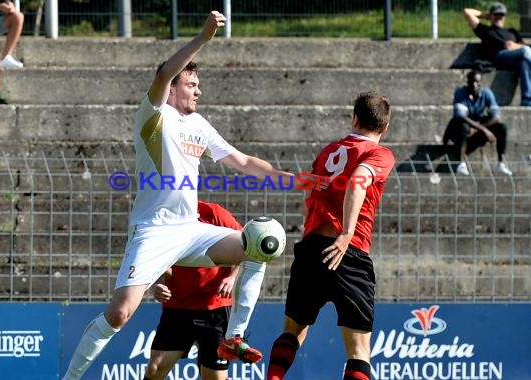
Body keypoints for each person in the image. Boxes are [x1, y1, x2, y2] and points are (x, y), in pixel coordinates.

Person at [62, 10, 294, 380]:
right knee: (120, 313)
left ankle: (232, 337)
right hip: (153, 230)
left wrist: (289, 180)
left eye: (198, 84)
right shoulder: (152, 115)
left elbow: (244, 161)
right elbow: (162, 74)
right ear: (172, 87)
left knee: (261, 242)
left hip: (190, 230)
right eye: (191, 84)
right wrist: (202, 38)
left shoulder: (198, 124)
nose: (198, 90)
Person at [266, 92, 395, 380]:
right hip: (348, 250)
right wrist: (347, 233)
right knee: (359, 350)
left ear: (354, 119)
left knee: (293, 331)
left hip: (312, 247)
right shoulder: (379, 154)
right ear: (385, 128)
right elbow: (358, 181)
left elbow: (308, 199)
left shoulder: (328, 152)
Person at [148, 201, 240, 380]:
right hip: (177, 307)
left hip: (214, 308)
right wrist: (157, 283)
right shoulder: (161, 217)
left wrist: (232, 277)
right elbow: (154, 257)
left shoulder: (214, 213)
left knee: (214, 378)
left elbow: (249, 246)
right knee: (155, 368)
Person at [442, 69, 512, 176]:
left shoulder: (487, 93)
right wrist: (483, 129)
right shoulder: (461, 92)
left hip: (476, 125)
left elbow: (496, 116)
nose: (474, 85)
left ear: (481, 83)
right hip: (462, 126)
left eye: (477, 82)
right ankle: (461, 164)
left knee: (501, 128)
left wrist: (477, 128)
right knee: (463, 126)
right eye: (472, 82)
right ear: (468, 83)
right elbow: (461, 116)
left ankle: (501, 164)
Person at [463, 2, 531, 106]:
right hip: (499, 57)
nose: (499, 17)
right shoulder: (486, 30)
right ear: (491, 15)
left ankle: (527, 100)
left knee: (524, 63)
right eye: (496, 14)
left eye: (501, 15)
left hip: (516, 57)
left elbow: (524, 46)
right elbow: (467, 12)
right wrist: (485, 15)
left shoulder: (512, 31)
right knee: (525, 52)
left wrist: (513, 46)